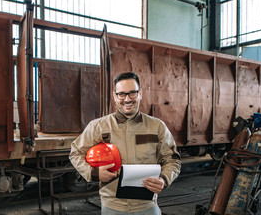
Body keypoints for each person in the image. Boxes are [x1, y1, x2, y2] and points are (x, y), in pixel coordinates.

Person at [69, 72, 181, 215]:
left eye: (132, 93)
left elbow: (173, 160)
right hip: (113, 207)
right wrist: (93, 173)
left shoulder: (157, 127)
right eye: (121, 94)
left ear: (140, 93)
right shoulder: (98, 126)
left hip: (147, 207)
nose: (127, 99)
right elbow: (75, 152)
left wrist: (164, 179)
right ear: (115, 96)